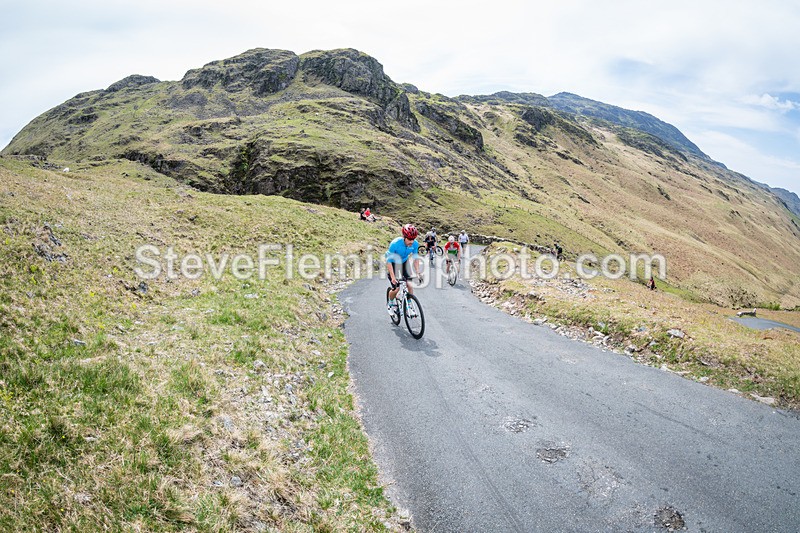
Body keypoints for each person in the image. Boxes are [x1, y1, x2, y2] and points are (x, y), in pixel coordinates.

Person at [386, 224, 423, 314]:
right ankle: (390, 303)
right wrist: (393, 277)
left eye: (413, 239)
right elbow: (388, 262)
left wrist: (418, 272)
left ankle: (409, 305)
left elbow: (415, 259)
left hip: (404, 262)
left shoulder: (415, 244)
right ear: (404, 237)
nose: (411, 241)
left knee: (409, 283)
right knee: (396, 288)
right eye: (409, 239)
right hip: (393, 263)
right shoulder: (395, 244)